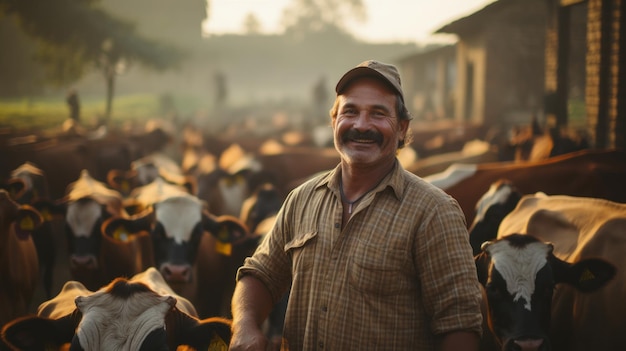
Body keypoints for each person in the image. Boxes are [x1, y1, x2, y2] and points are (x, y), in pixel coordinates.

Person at [229, 60, 483, 351]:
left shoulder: (434, 212)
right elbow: (261, 274)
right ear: (334, 120)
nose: (361, 125)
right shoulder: (301, 199)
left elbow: (459, 324)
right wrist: (245, 326)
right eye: (350, 111)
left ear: (402, 128)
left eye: (378, 113)